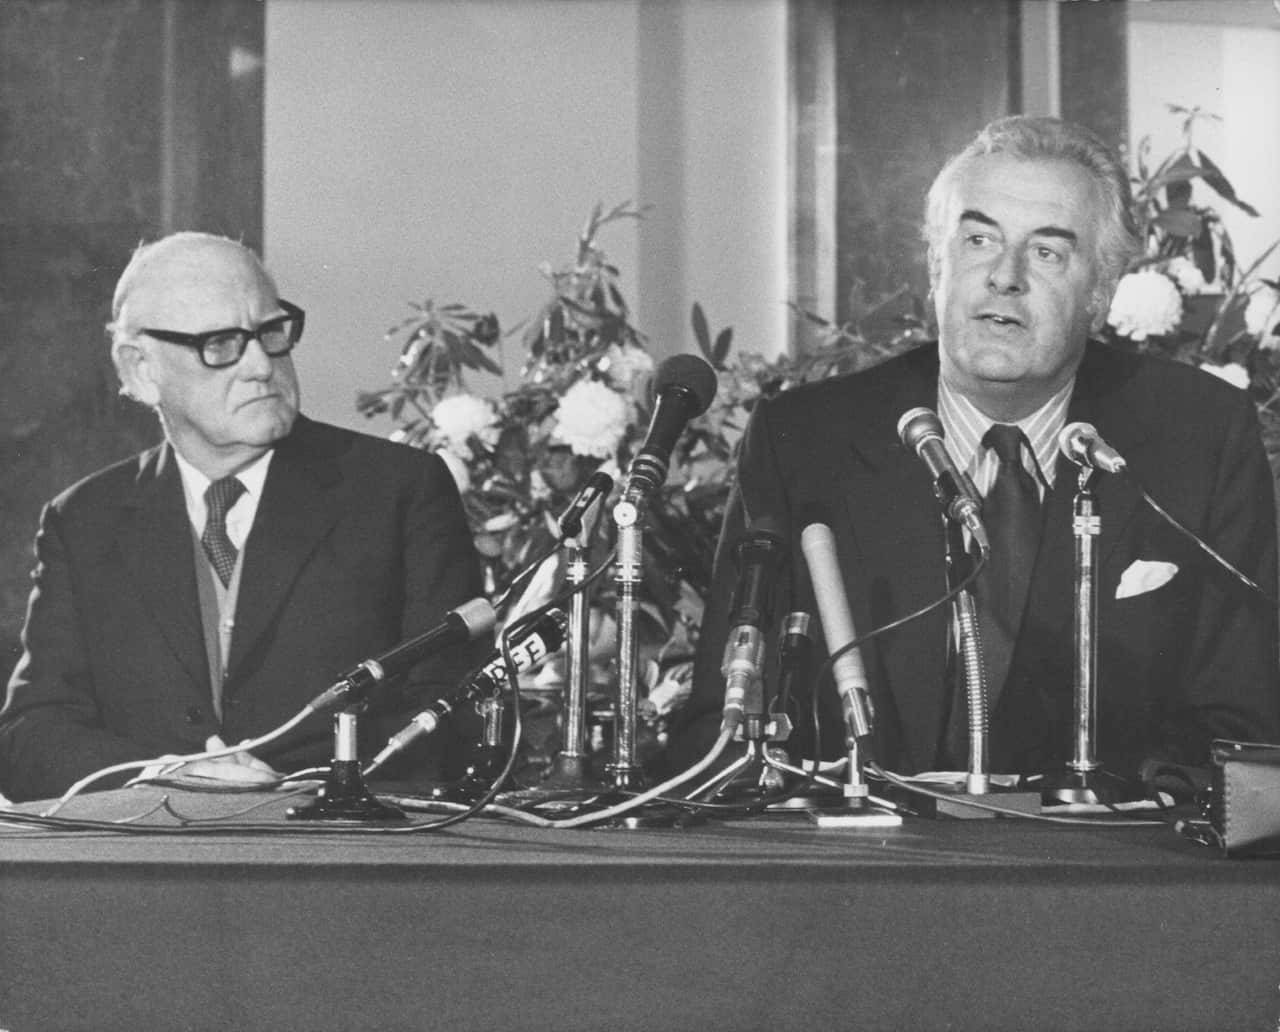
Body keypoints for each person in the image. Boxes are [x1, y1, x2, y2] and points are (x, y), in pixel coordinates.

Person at [663, 115, 1280, 784]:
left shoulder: (1200, 436)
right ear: (936, 264)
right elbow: (719, 727)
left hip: (1102, 874)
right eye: (979, 239)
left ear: (1099, 292)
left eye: (1047, 252)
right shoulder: (802, 442)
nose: (1004, 276)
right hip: (859, 873)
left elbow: (1242, 736)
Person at [0, 232, 491, 802]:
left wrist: (290, 793)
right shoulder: (83, 520)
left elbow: (455, 707)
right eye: (222, 343)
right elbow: (29, 735)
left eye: (271, 332)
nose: (262, 365)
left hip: (342, 867)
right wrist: (160, 775)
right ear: (140, 369)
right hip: (142, 875)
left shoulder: (400, 490)